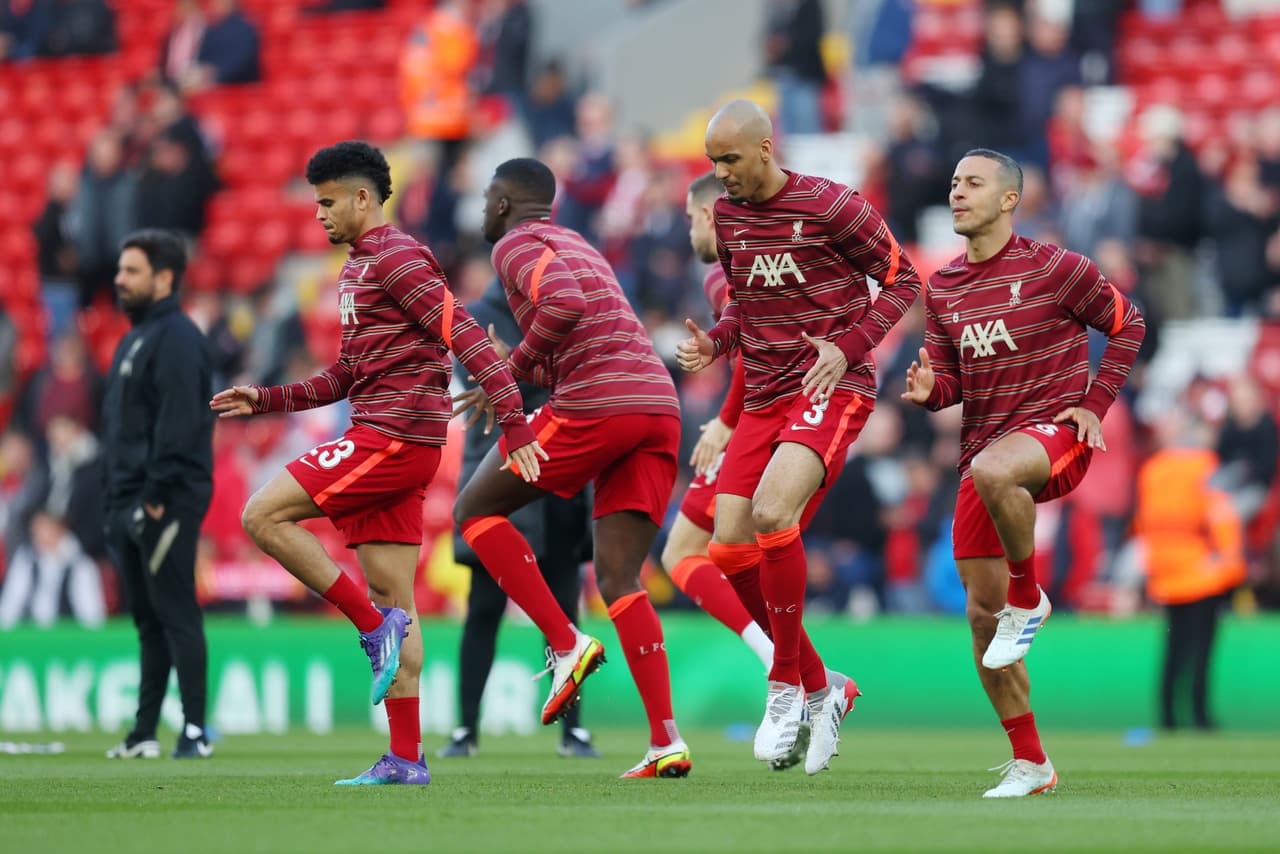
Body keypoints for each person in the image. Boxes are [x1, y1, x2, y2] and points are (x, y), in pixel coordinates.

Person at [209, 141, 542, 786]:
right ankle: (407, 758)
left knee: (262, 515)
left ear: (364, 198)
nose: (320, 216)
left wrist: (514, 421)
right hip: (388, 434)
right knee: (397, 598)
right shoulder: (358, 270)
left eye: (329, 202)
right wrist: (269, 399)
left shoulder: (398, 258)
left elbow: (466, 336)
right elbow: (346, 374)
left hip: (391, 438)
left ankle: (369, 628)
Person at [676, 100, 922, 775]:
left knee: (772, 513)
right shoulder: (727, 218)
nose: (720, 174)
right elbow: (746, 309)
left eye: (729, 159)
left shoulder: (833, 205)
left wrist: (851, 346)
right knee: (727, 551)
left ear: (765, 147)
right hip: (765, 394)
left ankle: (783, 684)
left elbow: (905, 281)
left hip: (831, 384)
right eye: (712, 163)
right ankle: (821, 688)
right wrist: (717, 343)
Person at [900, 149, 1145, 797]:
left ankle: (1028, 595)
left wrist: (1093, 406)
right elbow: (956, 380)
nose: (957, 194)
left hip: (1053, 437)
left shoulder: (1056, 268)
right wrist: (933, 390)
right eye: (953, 183)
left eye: (973, 184)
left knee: (996, 480)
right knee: (983, 623)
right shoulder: (943, 287)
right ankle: (1033, 762)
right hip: (984, 462)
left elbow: (1129, 325)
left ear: (1010, 199)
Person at [452, 157, 689, 779]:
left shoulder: (514, 246)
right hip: (657, 404)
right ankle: (665, 739)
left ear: (504, 203)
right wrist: (528, 367)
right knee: (618, 577)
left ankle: (565, 643)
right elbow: (590, 315)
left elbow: (563, 304)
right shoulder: (578, 242)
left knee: (474, 512)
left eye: (486, 197)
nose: (482, 209)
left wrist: (510, 366)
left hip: (598, 402)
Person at [438, 276, 598, 760]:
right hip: (502, 475)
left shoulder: (562, 309)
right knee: (484, 609)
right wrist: (536, 375)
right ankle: (466, 729)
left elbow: (576, 381)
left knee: (565, 609)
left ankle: (573, 730)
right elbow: (488, 384)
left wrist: (517, 368)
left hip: (558, 479)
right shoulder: (479, 313)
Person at [101, 229, 215, 760]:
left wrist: (154, 494)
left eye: (131, 271)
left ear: (164, 277)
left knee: (176, 612)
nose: (119, 280)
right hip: (129, 498)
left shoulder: (179, 338)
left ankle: (194, 730)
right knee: (148, 618)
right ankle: (144, 732)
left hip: (164, 498)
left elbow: (181, 424)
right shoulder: (137, 336)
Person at [1134, 409, 1245, 731]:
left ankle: (1167, 715)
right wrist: (1232, 566)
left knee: (1173, 647)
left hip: (1164, 569)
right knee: (1202, 648)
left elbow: (1143, 521)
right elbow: (1220, 516)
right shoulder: (1207, 467)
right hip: (1202, 571)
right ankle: (1199, 714)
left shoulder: (1152, 470)